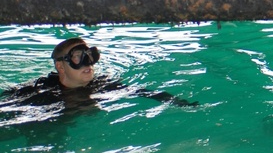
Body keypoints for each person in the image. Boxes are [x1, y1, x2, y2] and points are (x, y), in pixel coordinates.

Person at [1, 37, 197, 119]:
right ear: (60, 66)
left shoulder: (103, 84)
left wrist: (178, 102)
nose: (88, 63)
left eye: (90, 56)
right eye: (78, 57)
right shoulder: (38, 91)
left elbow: (143, 92)